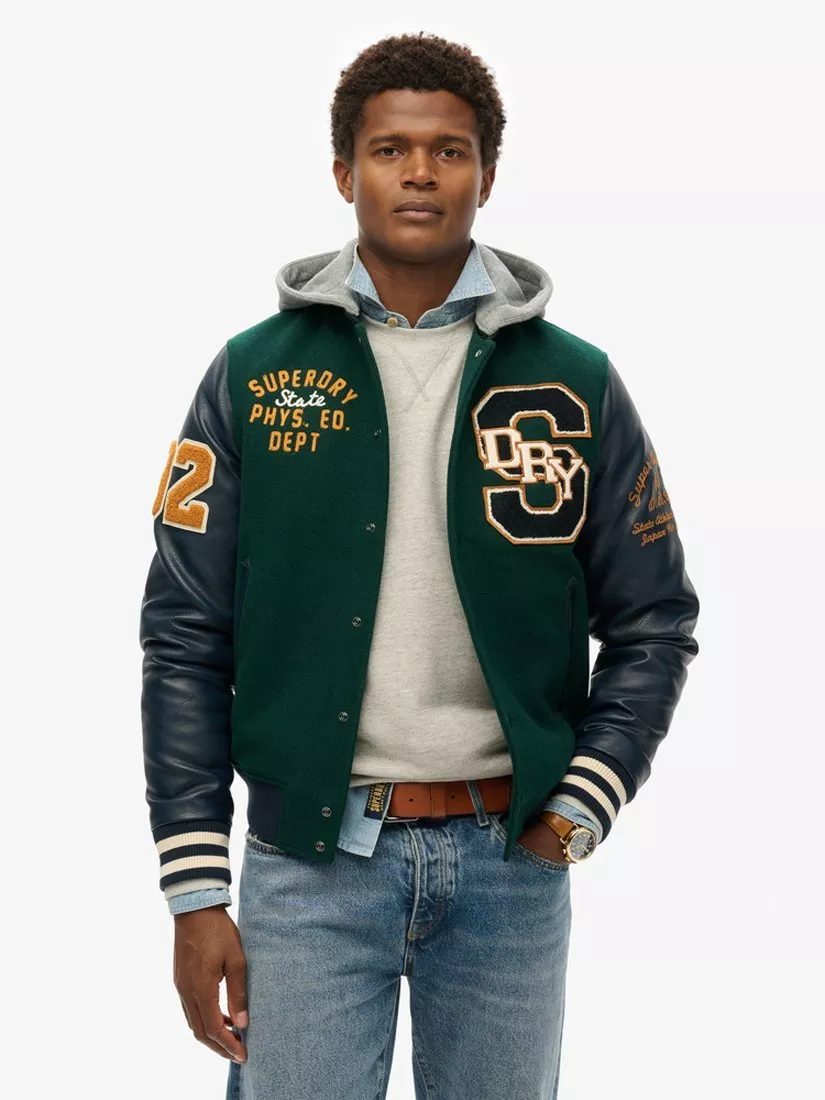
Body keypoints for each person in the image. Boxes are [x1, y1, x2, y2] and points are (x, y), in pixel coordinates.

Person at [140, 31, 700, 1100]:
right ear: (343, 171)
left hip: (511, 865)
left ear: (487, 174)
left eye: (449, 150)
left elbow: (654, 619)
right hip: (307, 868)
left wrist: (580, 802)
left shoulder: (575, 381)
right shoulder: (253, 375)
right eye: (390, 149)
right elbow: (184, 632)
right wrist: (195, 888)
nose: (420, 173)